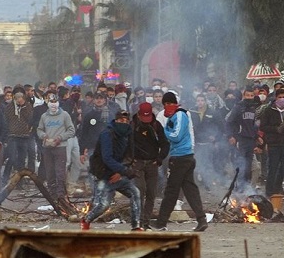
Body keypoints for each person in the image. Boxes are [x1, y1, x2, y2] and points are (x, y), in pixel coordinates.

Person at [152, 92, 208, 232]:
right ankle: (201, 220)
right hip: (182, 156)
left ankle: (161, 222)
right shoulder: (173, 117)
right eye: (165, 104)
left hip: (181, 158)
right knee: (190, 190)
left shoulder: (180, 115)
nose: (167, 106)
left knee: (171, 190)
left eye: (169, 104)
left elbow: (176, 136)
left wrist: (162, 132)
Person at [81, 111, 143, 231]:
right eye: (121, 120)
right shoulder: (107, 134)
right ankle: (86, 220)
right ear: (116, 120)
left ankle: (136, 226)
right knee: (103, 205)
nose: (123, 123)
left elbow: (130, 155)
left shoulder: (129, 133)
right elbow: (107, 158)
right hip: (102, 174)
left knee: (135, 192)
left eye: (126, 121)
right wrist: (124, 171)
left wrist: (120, 172)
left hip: (118, 173)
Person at [129, 102, 169, 227]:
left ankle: (145, 222)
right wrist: (130, 160)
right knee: (139, 191)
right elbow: (125, 144)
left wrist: (160, 158)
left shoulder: (156, 125)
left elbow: (165, 144)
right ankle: (138, 222)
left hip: (152, 163)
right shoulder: (132, 126)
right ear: (139, 115)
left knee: (151, 193)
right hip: (137, 164)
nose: (146, 121)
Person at [36, 92, 76, 204]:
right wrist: (43, 136)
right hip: (47, 148)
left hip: (60, 147)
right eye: (51, 102)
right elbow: (39, 129)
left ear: (58, 103)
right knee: (49, 174)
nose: (53, 105)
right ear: (47, 103)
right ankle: (52, 198)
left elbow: (71, 130)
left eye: (55, 102)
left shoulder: (65, 115)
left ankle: (61, 196)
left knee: (60, 173)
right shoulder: (44, 116)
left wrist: (60, 137)